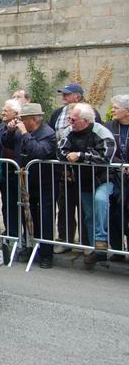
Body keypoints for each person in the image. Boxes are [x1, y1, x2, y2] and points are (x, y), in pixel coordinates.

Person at [57, 103, 118, 266]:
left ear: (85, 120)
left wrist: (80, 156)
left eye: (73, 119)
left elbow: (106, 157)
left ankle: (101, 244)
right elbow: (60, 151)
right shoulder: (69, 131)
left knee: (100, 202)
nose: (70, 122)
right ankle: (95, 251)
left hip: (103, 179)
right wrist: (70, 156)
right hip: (83, 180)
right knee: (89, 214)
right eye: (69, 118)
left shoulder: (102, 132)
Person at [2, 103, 57, 268]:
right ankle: (29, 246)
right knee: (27, 216)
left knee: (45, 218)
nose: (20, 122)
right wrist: (10, 131)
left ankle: (47, 254)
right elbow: (6, 143)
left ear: (33, 119)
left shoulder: (48, 133)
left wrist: (25, 133)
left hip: (44, 182)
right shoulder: (20, 131)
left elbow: (39, 152)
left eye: (23, 119)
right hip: (25, 182)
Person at [49, 83, 101, 253]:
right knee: (64, 206)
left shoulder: (91, 113)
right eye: (63, 94)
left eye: (67, 94)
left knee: (86, 207)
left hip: (85, 171)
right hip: (64, 169)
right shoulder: (57, 113)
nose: (63, 96)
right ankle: (65, 239)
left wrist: (79, 156)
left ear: (78, 96)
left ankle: (86, 243)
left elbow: (95, 138)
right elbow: (52, 137)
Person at [105, 94, 129, 261]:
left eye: (116, 107)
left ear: (127, 111)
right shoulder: (109, 127)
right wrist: (121, 165)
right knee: (114, 212)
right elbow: (106, 148)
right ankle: (118, 250)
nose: (112, 110)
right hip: (115, 176)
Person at [0, 99, 23, 240]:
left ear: (16, 113)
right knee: (7, 205)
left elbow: (15, 144)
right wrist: (9, 131)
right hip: (5, 172)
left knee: (21, 205)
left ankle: (24, 237)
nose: (3, 112)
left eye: (6, 110)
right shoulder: (2, 127)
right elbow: (1, 141)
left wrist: (13, 131)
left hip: (19, 172)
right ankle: (11, 233)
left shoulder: (22, 127)